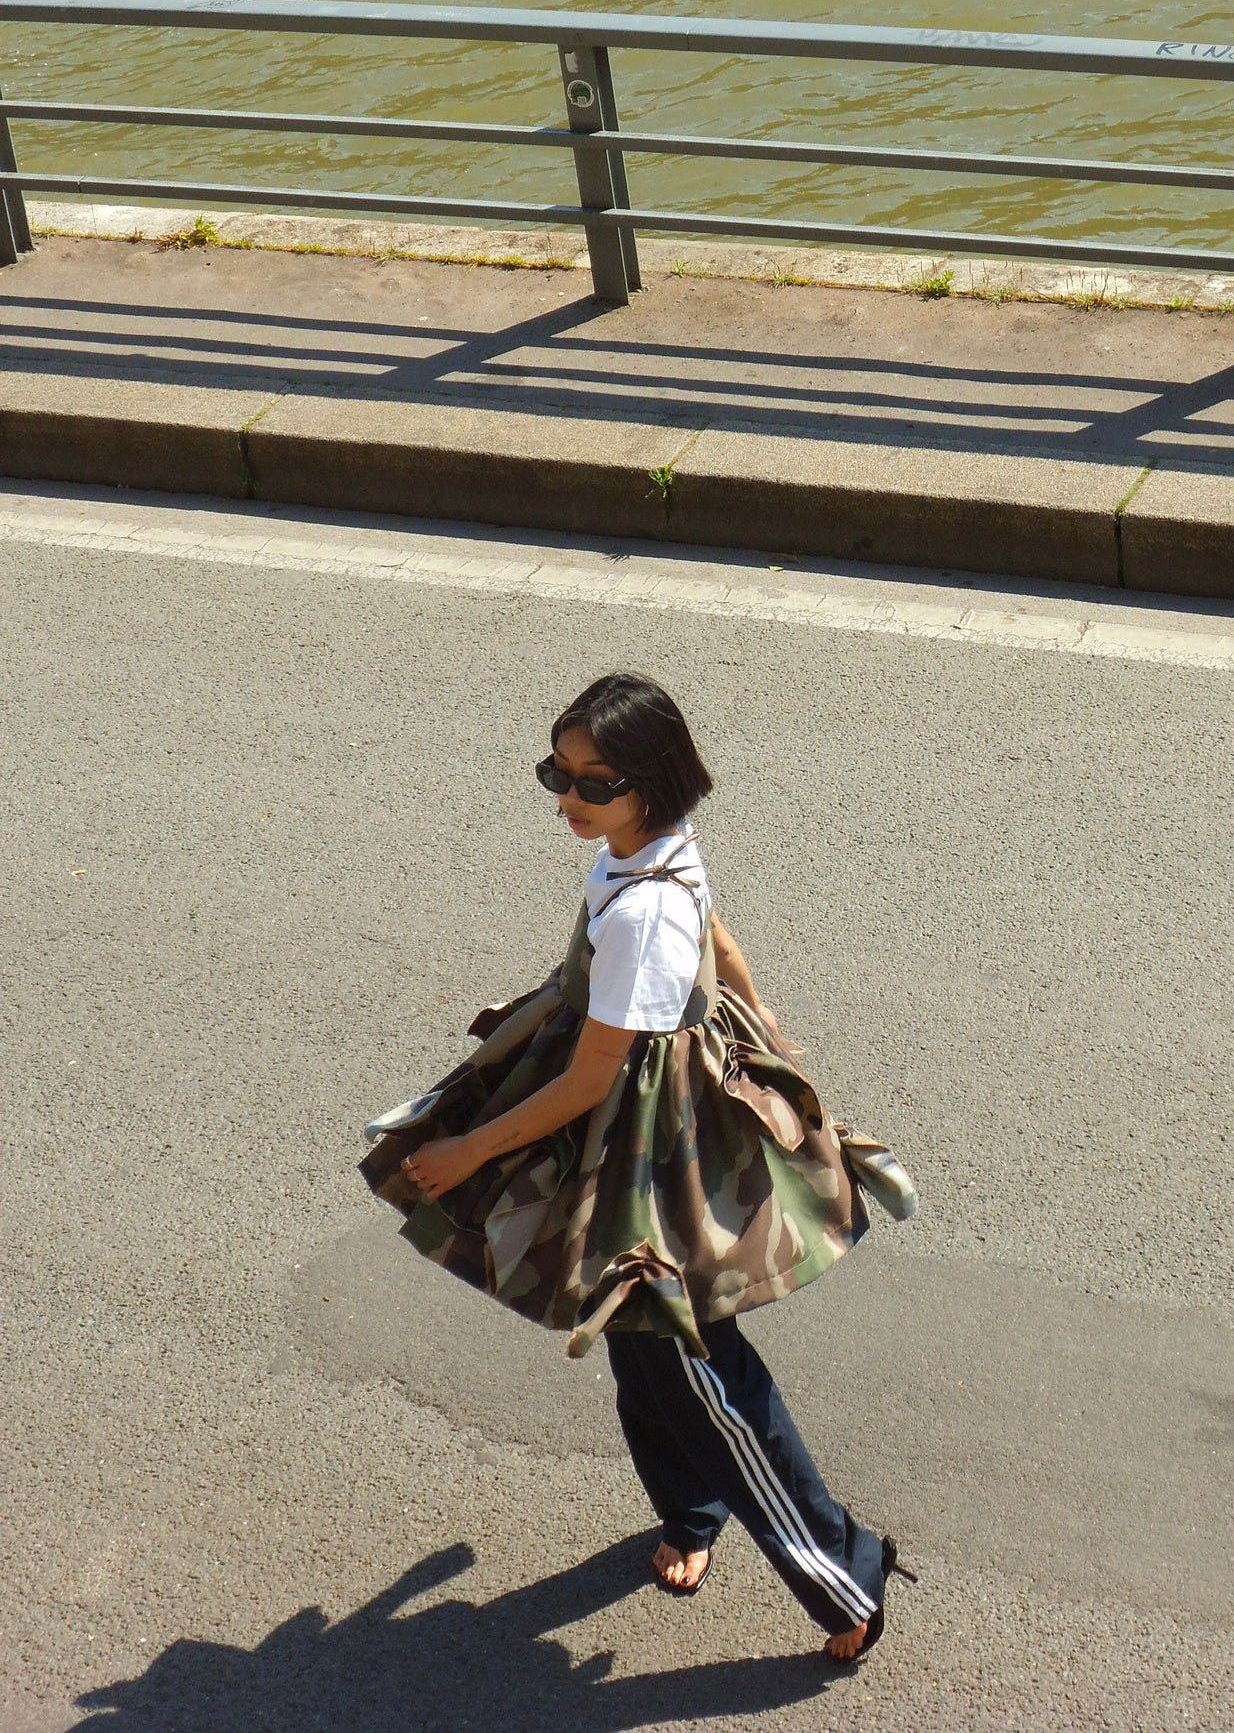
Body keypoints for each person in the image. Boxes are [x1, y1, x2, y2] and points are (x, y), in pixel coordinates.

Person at [359, 672, 917, 1660]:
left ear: (652, 784)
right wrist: (761, 1015)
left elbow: (586, 1080)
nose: (566, 798)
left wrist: (466, 1148)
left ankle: (844, 1573)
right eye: (555, 773)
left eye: (592, 781)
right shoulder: (648, 850)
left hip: (651, 1159)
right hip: (641, 1124)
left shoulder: (640, 915)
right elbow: (720, 931)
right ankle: (692, 1509)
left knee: (704, 1373)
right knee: (638, 1345)